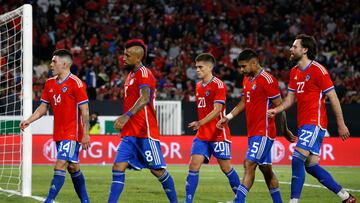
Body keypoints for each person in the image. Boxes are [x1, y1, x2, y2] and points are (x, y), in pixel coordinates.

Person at [267, 34, 357, 203]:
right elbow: (290, 100)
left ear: (305, 49)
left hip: (315, 123)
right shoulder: (294, 72)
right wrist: (276, 110)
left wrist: (341, 124)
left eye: (295, 46)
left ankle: (294, 201)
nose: (291, 49)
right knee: (311, 166)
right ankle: (346, 197)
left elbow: (334, 97)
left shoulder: (318, 70)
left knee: (297, 158)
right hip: (304, 125)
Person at [217, 49, 296, 203]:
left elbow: (279, 107)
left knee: (249, 163)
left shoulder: (267, 80)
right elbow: (243, 102)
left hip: (264, 132)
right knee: (266, 170)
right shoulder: (247, 79)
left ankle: (238, 201)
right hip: (253, 133)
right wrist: (228, 117)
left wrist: (284, 129)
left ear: (254, 63)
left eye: (243, 66)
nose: (241, 70)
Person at [107, 39, 178, 203]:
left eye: (127, 55)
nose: (123, 58)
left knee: (158, 171)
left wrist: (127, 116)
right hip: (130, 132)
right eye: (124, 54)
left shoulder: (144, 73)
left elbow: (145, 98)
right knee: (118, 167)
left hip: (144, 131)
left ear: (138, 58)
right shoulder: (130, 75)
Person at [20, 49, 91, 203]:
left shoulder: (77, 83)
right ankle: (86, 201)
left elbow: (85, 111)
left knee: (60, 165)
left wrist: (86, 133)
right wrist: (29, 120)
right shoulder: (49, 83)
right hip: (59, 133)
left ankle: (49, 200)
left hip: (72, 133)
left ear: (64, 64)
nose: (51, 65)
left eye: (54, 61)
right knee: (73, 167)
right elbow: (43, 107)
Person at [185, 53, 241, 203]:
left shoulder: (219, 84)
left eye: (200, 67)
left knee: (226, 168)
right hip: (202, 134)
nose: (197, 70)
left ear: (210, 67)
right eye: (196, 67)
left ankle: (240, 199)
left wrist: (200, 122)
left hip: (218, 133)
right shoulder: (198, 86)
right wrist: (201, 125)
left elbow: (217, 110)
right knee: (193, 165)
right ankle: (188, 201)